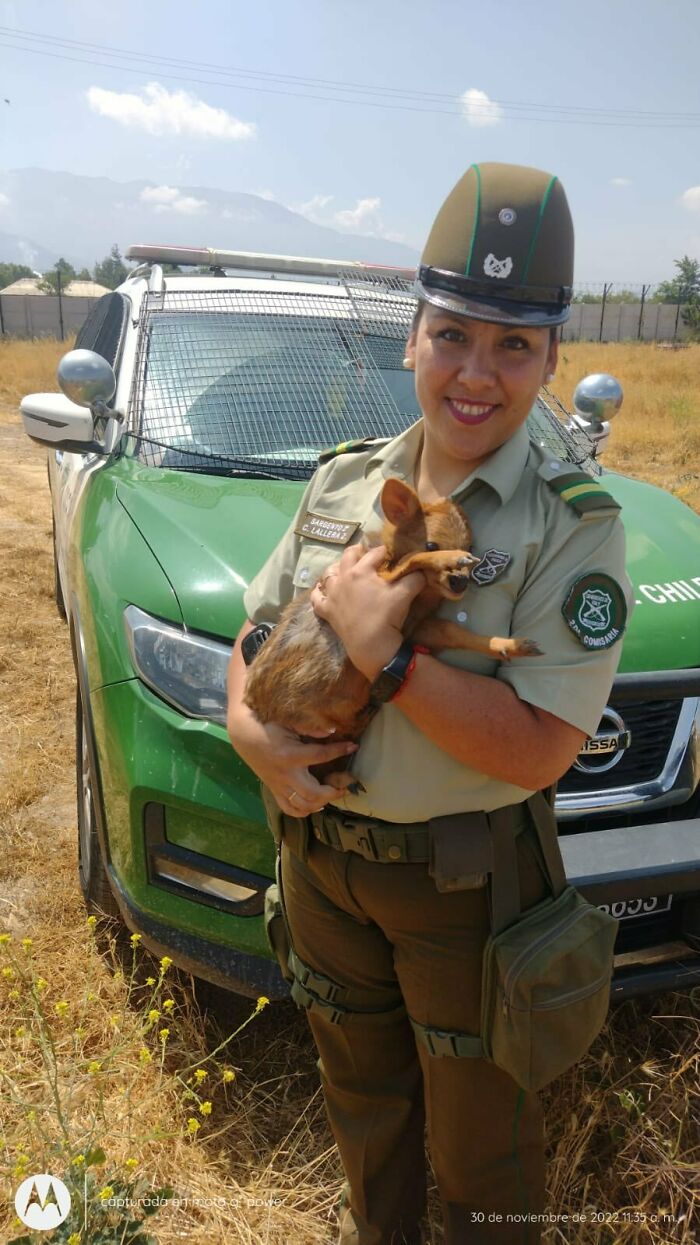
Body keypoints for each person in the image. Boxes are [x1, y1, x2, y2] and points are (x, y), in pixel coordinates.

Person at [226, 162, 634, 1245]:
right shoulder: (345, 483)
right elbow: (256, 638)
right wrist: (250, 735)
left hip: (469, 890)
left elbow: (540, 750)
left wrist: (389, 658)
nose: (476, 372)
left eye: (514, 345)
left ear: (552, 360)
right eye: (452, 333)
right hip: (322, 867)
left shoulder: (571, 527)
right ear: (410, 339)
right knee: (364, 1114)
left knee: (482, 1148)